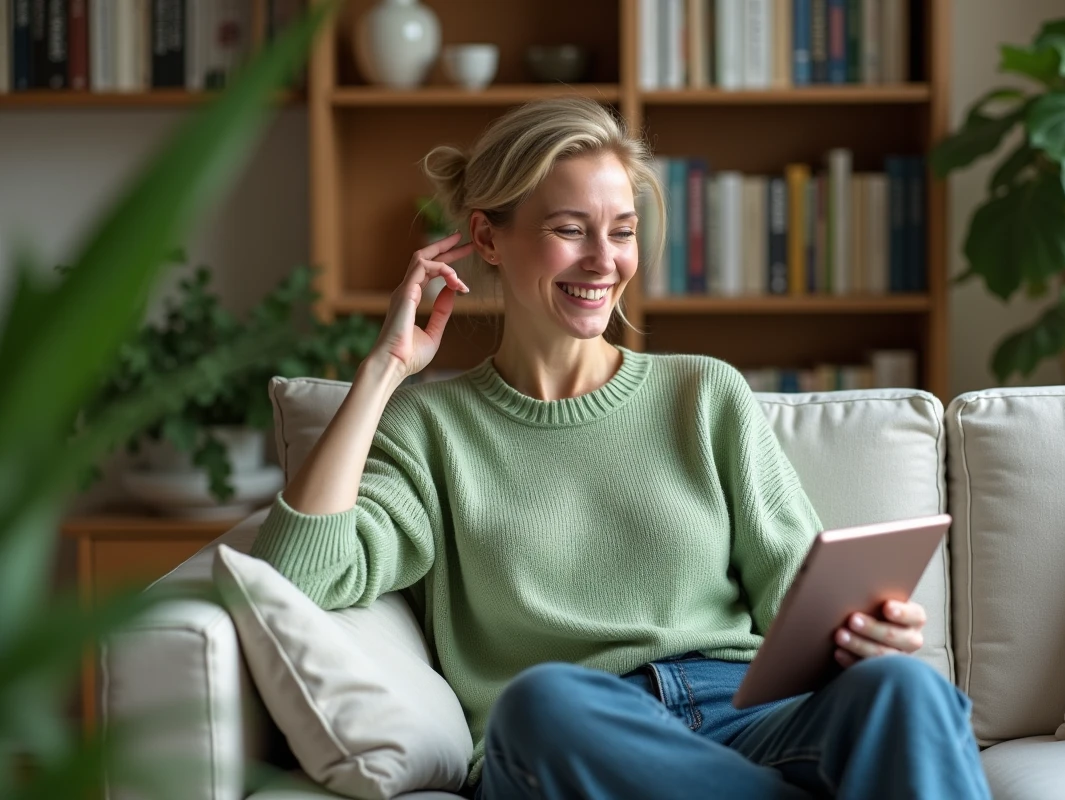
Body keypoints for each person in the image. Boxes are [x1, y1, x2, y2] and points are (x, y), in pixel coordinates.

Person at [250, 96, 991, 800]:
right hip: (580, 735)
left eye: (624, 230)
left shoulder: (703, 394)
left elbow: (796, 597)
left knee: (907, 687)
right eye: (571, 229)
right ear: (486, 239)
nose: (605, 260)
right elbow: (298, 576)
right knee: (542, 702)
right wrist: (383, 372)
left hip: (742, 713)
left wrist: (868, 632)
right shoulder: (430, 427)